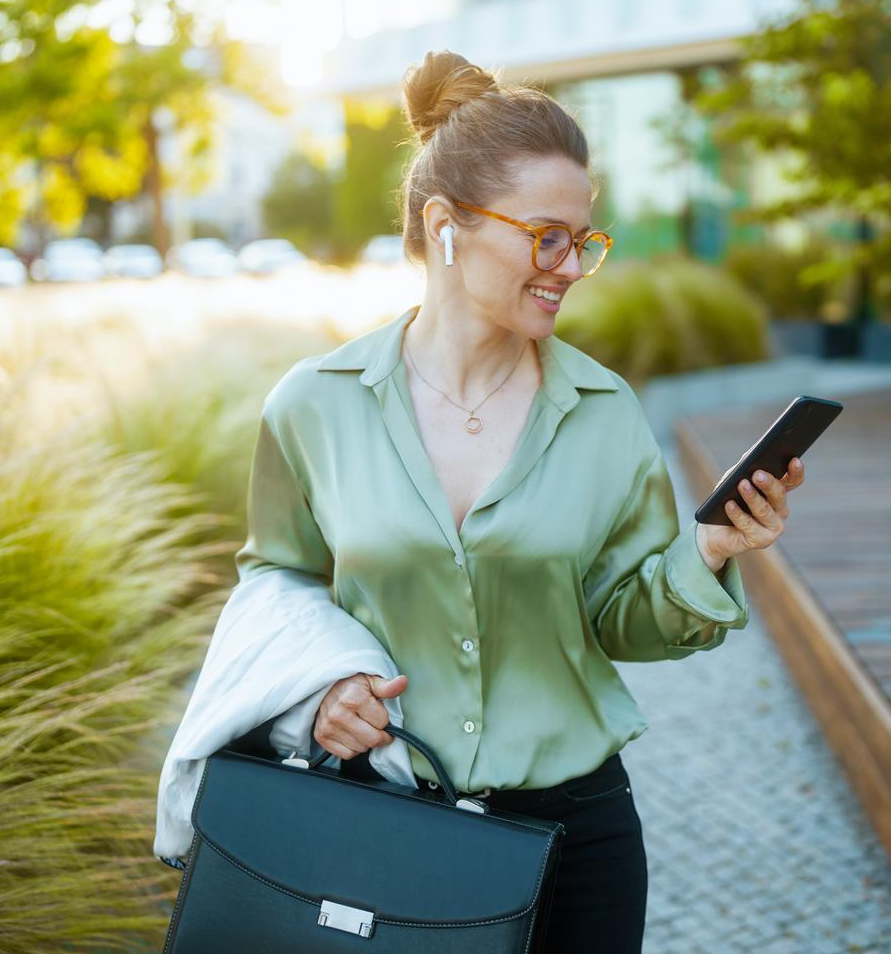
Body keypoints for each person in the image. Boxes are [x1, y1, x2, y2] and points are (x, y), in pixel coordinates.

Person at [239, 50, 804, 953]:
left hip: (578, 836)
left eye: (584, 239)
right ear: (446, 224)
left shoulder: (604, 411)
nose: (571, 265)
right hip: (381, 826)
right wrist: (321, 693)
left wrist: (708, 552)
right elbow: (276, 583)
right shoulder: (314, 403)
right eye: (546, 235)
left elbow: (622, 621)